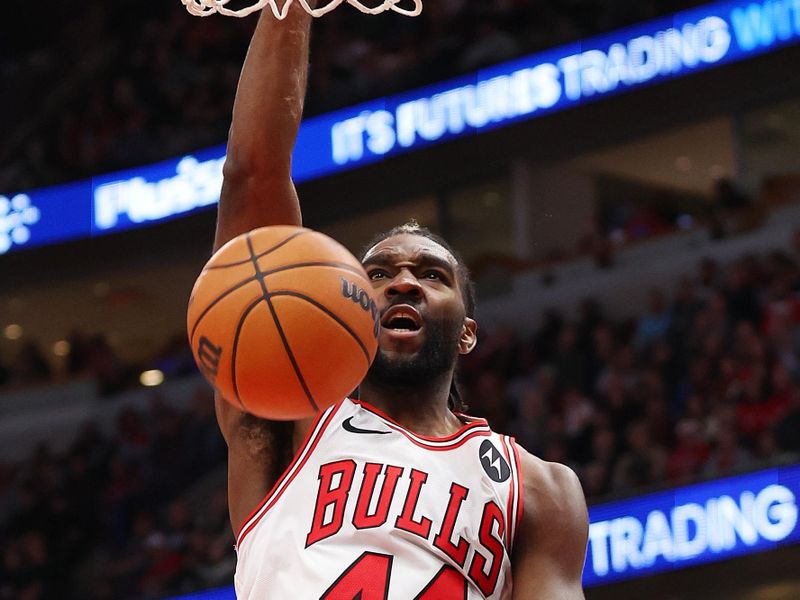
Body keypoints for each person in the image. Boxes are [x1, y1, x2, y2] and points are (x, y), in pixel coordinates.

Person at [213, 4, 588, 598]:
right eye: (378, 273)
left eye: (432, 276)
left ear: (467, 332)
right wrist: (292, 10)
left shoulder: (538, 488)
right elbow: (253, 177)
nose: (403, 282)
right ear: (349, 315)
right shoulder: (287, 413)